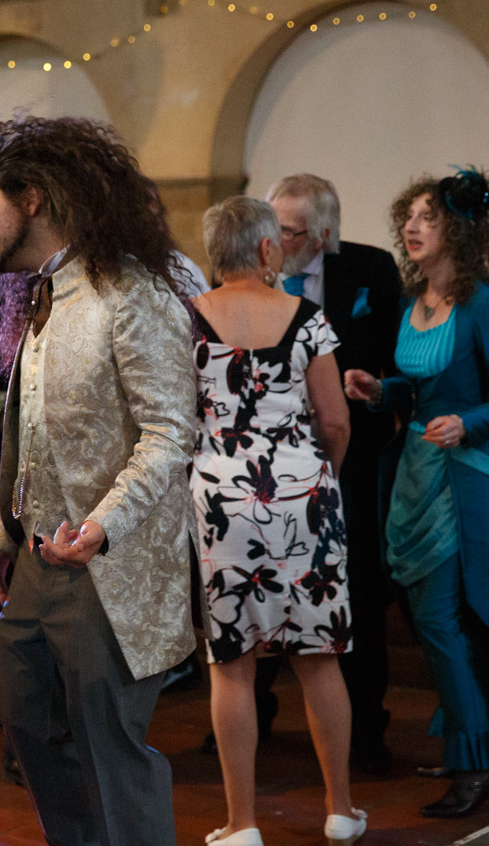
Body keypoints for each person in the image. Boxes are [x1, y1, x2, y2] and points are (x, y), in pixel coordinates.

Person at [0, 117, 197, 845]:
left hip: (110, 566)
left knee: (108, 752)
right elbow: (27, 430)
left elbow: (170, 432)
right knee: (30, 732)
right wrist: (2, 528)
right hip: (38, 560)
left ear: (31, 198)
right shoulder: (40, 296)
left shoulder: (132, 290)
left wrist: (103, 526)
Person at [192, 196, 363, 846]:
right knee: (318, 659)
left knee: (232, 665)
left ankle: (242, 825)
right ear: (268, 250)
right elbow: (337, 420)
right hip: (303, 496)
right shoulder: (308, 318)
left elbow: (181, 418)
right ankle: (341, 810)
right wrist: (322, 478)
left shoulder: (190, 319)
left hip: (221, 499)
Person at [215, 173, 399, 775]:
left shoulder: (371, 271)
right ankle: (274, 746)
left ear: (323, 233)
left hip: (317, 474)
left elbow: (386, 366)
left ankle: (366, 739)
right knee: (277, 632)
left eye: (290, 229)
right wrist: (322, 469)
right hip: (309, 478)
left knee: (351, 605)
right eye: (273, 226)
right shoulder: (281, 314)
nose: (279, 238)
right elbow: (331, 424)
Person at [344, 169, 489, 820]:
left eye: (428, 217)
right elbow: (416, 387)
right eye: (410, 216)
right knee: (439, 622)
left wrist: (470, 422)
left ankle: (474, 763)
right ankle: (472, 748)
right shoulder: (410, 300)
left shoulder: (480, 300)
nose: (412, 226)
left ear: (456, 228)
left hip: (468, 480)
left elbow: (476, 401)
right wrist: (383, 392)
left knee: (441, 621)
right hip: (414, 477)